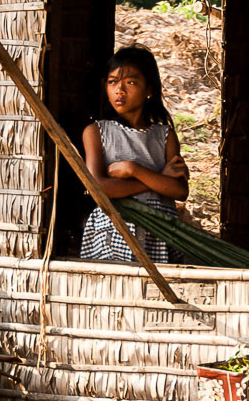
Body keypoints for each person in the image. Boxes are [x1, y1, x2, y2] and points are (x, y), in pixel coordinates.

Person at [80, 44, 189, 263]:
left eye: (130, 82)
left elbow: (179, 190)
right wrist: (157, 179)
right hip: (113, 232)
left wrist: (133, 169)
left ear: (149, 89)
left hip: (159, 231)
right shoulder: (97, 132)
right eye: (112, 82)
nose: (119, 90)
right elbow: (97, 188)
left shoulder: (164, 135)